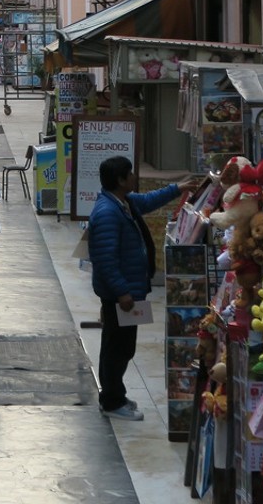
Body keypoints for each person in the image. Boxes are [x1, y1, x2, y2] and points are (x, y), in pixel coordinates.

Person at [88, 156, 197, 421]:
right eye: (131, 174)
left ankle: (116, 395)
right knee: (117, 348)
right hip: (120, 295)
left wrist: (178, 188)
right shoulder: (107, 213)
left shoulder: (124, 203)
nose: (136, 178)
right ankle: (113, 402)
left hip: (130, 292)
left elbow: (149, 201)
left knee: (123, 347)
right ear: (121, 180)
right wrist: (122, 292)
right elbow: (104, 259)